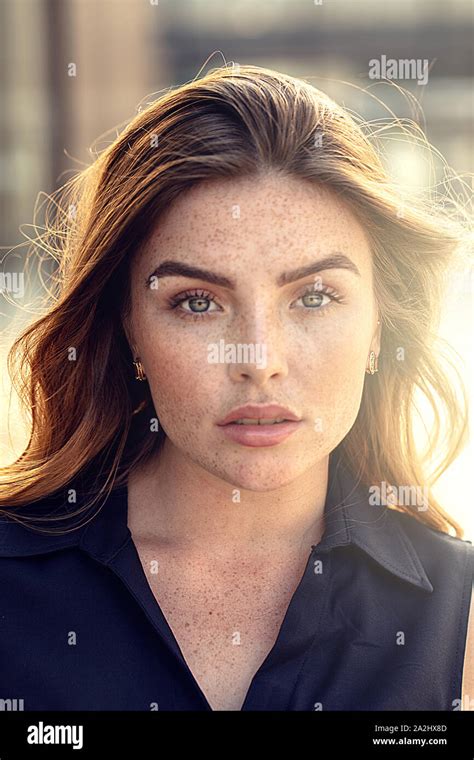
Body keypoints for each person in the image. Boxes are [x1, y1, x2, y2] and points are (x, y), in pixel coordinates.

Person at [0, 64, 472, 712]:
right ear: (128, 328)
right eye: (198, 302)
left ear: (378, 326)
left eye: (313, 296)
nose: (259, 359)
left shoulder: (459, 616)